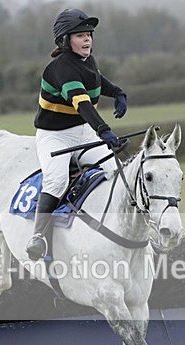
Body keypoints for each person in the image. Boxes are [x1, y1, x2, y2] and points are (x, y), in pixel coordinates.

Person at [26, 8, 128, 261]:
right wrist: (104, 131)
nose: (87, 40)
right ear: (65, 40)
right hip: (55, 136)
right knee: (57, 181)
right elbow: (82, 103)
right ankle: (37, 236)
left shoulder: (87, 61)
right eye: (80, 35)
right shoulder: (60, 69)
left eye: (89, 35)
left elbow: (97, 80)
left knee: (116, 171)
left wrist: (118, 92)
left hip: (83, 132)